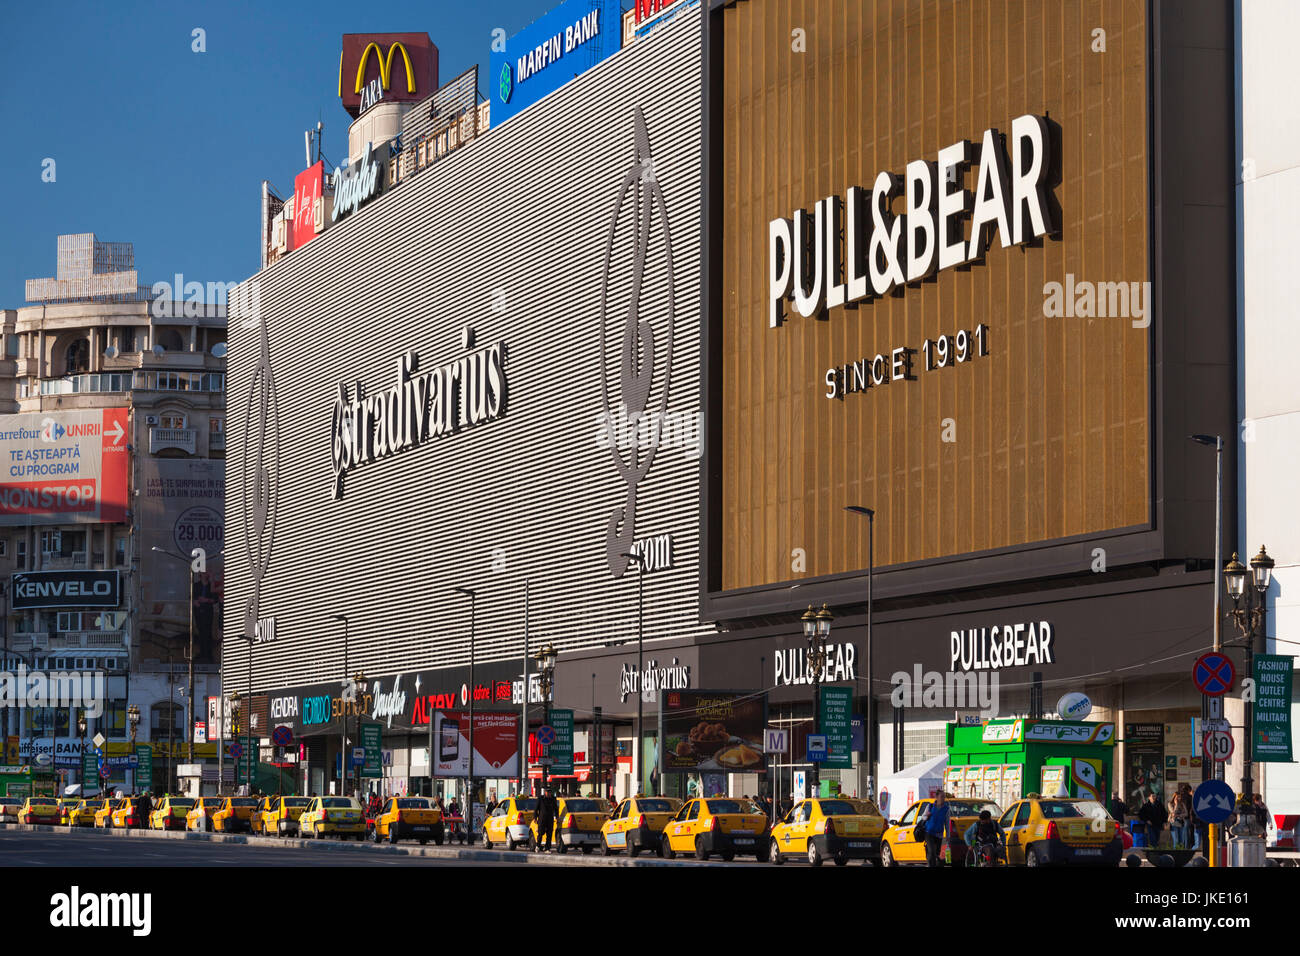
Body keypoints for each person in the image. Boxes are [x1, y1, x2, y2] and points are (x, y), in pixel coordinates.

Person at [919, 792, 952, 867]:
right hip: (928, 832)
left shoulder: (946, 809)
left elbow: (947, 823)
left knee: (936, 853)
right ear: (936, 797)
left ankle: (930, 859)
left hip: (939, 834)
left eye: (944, 797)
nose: (943, 799)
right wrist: (927, 815)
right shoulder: (930, 806)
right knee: (932, 851)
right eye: (941, 797)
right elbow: (923, 817)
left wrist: (948, 836)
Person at [535, 787, 559, 852]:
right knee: (540, 833)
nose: (549, 794)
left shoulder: (553, 799)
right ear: (545, 792)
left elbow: (556, 809)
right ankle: (538, 846)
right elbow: (536, 809)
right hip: (542, 819)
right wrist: (535, 817)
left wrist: (557, 816)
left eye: (550, 792)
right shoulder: (541, 798)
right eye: (547, 792)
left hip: (550, 819)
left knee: (549, 834)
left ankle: (547, 848)